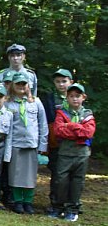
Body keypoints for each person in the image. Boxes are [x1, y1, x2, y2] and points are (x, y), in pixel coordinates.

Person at [50, 83, 95, 222]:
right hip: (65, 153)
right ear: (67, 98)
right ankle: (58, 207)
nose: (74, 99)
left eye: (77, 96)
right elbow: (58, 131)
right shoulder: (61, 113)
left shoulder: (88, 114)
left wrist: (70, 126)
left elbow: (88, 133)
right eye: (71, 96)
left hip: (81, 155)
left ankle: (72, 209)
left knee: (77, 182)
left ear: (83, 97)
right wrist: (78, 129)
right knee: (60, 181)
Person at [5, 72, 48, 214]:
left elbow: (43, 124)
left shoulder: (36, 102)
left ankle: (28, 202)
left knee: (30, 175)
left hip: (31, 144)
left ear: (28, 85)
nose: (21, 86)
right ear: (13, 85)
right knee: (16, 174)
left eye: (24, 84)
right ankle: (18, 201)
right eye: (18, 83)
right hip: (16, 143)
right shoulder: (8, 103)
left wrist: (42, 146)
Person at [42, 68, 74, 212]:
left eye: (64, 81)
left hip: (73, 143)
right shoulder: (49, 98)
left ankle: (71, 203)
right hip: (56, 142)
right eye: (58, 81)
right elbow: (47, 121)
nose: (61, 84)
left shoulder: (76, 97)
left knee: (73, 174)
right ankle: (55, 202)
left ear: (70, 82)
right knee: (57, 173)